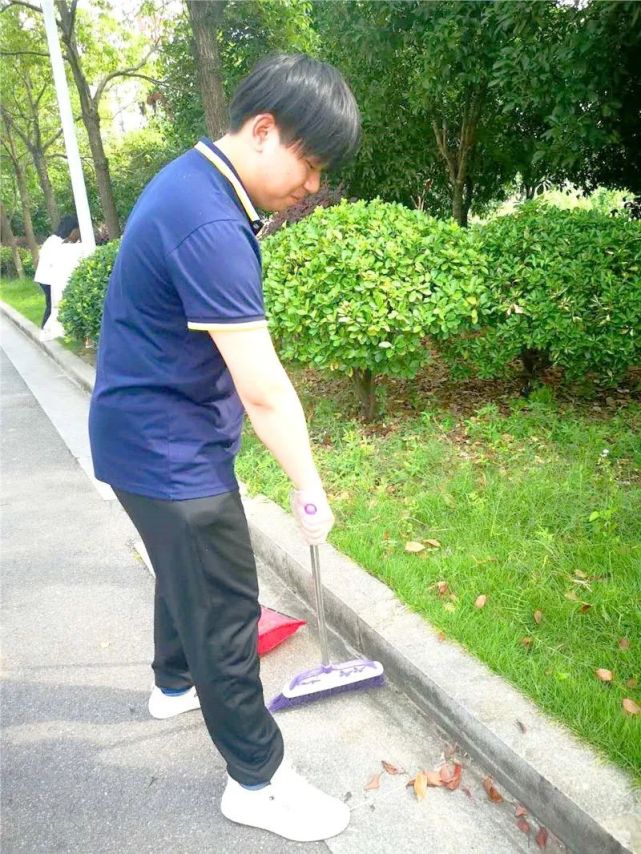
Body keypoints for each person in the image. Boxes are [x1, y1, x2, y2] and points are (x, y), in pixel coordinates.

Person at [88, 54, 360, 843]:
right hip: (166, 449)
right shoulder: (210, 223)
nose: (312, 186)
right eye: (310, 163)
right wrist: (308, 485)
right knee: (225, 607)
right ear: (264, 130)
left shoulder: (194, 184)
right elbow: (264, 388)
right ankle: (256, 780)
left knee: (186, 576)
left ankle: (174, 683)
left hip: (144, 437)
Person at [34, 214, 78, 330]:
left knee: (51, 304)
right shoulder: (58, 243)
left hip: (44, 277)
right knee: (52, 305)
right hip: (48, 278)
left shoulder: (53, 240)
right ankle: (45, 329)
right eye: (76, 231)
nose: (77, 235)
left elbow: (38, 260)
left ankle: (48, 328)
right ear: (71, 229)